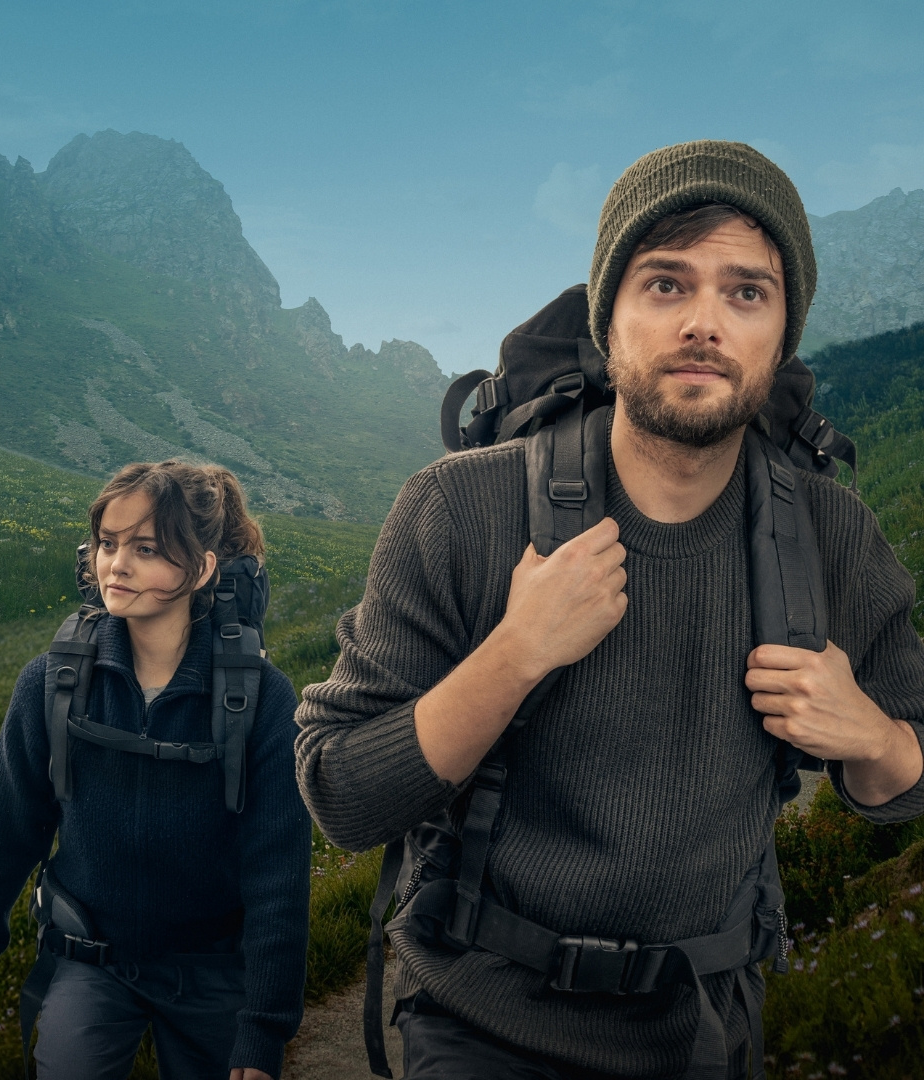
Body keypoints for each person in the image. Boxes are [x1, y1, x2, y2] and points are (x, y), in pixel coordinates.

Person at [294, 141, 924, 1079]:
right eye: (665, 285)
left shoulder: (832, 535)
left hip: (708, 1032)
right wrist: (515, 653)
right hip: (483, 1024)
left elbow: (902, 785)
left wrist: (871, 737)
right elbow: (342, 793)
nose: (705, 323)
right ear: (610, 314)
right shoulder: (460, 507)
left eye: (747, 292)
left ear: (784, 331)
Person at [0, 460, 311, 1080]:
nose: (116, 565)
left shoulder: (266, 701)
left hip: (214, 972)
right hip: (91, 961)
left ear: (200, 568)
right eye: (108, 544)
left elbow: (278, 873)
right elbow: (5, 827)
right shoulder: (52, 684)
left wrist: (264, 1030)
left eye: (146, 549)